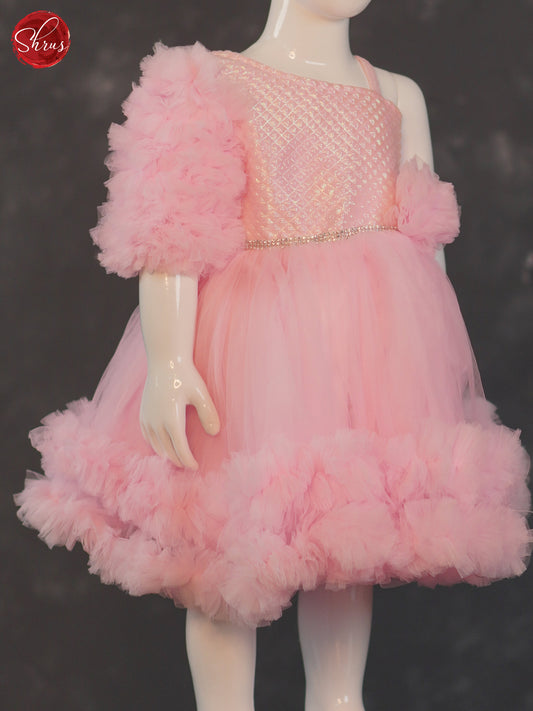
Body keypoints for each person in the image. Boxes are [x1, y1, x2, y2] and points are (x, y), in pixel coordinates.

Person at [14, 1, 532, 709]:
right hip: (247, 351)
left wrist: (432, 367)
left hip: (364, 357)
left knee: (346, 539)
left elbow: (425, 247)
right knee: (224, 552)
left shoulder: (395, 93)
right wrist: (168, 361)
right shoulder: (211, 81)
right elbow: (173, 227)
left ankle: (339, 700)